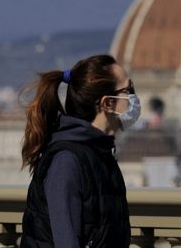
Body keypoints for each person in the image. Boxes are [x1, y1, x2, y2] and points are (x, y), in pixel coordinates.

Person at [19, 54, 141, 248]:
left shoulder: (100, 154)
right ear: (107, 103)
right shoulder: (67, 160)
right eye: (129, 89)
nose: (133, 98)